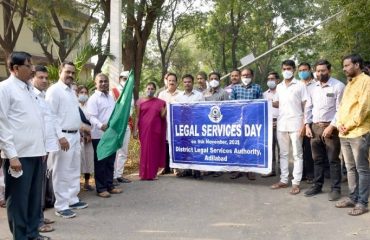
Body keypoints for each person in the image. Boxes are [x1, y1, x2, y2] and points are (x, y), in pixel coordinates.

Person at [0, 51, 49, 239]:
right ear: (15, 68)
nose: (33, 69)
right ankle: (20, 237)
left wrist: (42, 148)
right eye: (29, 65)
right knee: (19, 200)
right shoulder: (4, 88)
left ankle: (32, 234)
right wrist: (11, 155)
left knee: (33, 199)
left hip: (36, 152)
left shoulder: (30, 89)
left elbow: (37, 120)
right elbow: (2, 123)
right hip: (19, 156)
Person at [46, 61, 88, 218]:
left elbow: (73, 114)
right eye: (67, 72)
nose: (70, 75)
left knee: (73, 169)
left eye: (72, 73)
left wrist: (79, 132)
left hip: (75, 135)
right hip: (62, 136)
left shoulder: (71, 91)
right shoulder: (54, 91)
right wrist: (60, 136)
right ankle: (61, 205)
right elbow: (50, 116)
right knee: (61, 171)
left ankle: (72, 198)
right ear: (60, 72)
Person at [304, 60, 345, 201]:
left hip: (331, 128)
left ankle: (335, 189)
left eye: (323, 70)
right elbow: (308, 108)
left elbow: (340, 110)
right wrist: (307, 125)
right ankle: (317, 185)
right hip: (315, 128)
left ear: (329, 71)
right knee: (317, 159)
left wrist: (331, 126)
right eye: (318, 71)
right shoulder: (312, 88)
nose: (320, 73)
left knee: (333, 160)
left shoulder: (338, 86)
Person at [335, 54, 370, 216]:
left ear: (357, 65)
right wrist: (340, 125)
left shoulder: (366, 81)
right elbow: (343, 107)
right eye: (344, 66)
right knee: (349, 167)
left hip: (359, 132)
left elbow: (364, 108)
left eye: (347, 65)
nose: (344, 68)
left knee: (362, 169)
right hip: (345, 133)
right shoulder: (349, 84)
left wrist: (347, 125)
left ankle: (362, 202)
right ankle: (352, 197)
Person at [271, 60, 308, 195]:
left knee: (297, 154)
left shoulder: (300, 85)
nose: (286, 70)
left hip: (296, 123)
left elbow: (306, 105)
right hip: (282, 124)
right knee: (283, 153)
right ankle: (283, 180)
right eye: (284, 68)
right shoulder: (279, 86)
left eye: (289, 68)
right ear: (281, 70)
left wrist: (305, 124)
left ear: (294, 70)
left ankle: (296, 182)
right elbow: (277, 103)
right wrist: (265, 102)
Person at [31, 65, 59, 233]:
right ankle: (36, 221)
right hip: (33, 148)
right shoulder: (30, 96)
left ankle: (39, 216)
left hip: (44, 148)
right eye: (40, 77)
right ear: (32, 77)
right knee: (35, 187)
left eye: (45, 78)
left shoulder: (42, 97)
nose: (44, 80)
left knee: (41, 184)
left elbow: (49, 121)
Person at [86, 73, 123, 198]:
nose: (103, 84)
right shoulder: (93, 99)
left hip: (111, 135)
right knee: (101, 162)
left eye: (105, 81)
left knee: (110, 161)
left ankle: (109, 185)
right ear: (95, 83)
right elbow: (91, 116)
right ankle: (101, 188)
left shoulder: (110, 97)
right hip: (99, 135)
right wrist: (101, 125)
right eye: (100, 81)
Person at [230, 68, 263, 180]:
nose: (245, 77)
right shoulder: (236, 88)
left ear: (252, 76)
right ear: (240, 76)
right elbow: (231, 106)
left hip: (252, 123)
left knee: (250, 147)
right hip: (238, 123)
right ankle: (237, 170)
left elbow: (261, 105)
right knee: (237, 146)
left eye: (248, 75)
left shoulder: (257, 87)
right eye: (243, 75)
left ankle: (250, 170)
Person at [133, 82, 167, 180]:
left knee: (154, 151)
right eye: (148, 88)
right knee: (144, 151)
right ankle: (143, 173)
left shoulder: (160, 102)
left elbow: (162, 116)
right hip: (144, 130)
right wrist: (135, 130)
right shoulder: (140, 102)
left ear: (155, 90)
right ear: (145, 89)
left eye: (152, 89)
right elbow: (137, 117)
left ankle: (153, 173)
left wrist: (167, 107)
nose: (150, 90)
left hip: (156, 130)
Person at [175, 74, 205, 179]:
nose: (187, 84)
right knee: (185, 148)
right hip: (183, 127)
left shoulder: (199, 95)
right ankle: (186, 170)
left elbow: (203, 110)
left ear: (193, 83)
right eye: (185, 82)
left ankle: (196, 170)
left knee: (195, 147)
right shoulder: (178, 97)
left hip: (196, 126)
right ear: (183, 83)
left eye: (189, 82)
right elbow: (176, 112)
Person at [112, 71, 132, 184]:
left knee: (123, 151)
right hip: (117, 125)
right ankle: (113, 175)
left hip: (127, 125)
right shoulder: (114, 91)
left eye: (128, 79)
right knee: (115, 150)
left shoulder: (130, 92)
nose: (126, 81)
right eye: (124, 78)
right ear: (120, 79)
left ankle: (119, 174)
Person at [158, 73, 181, 174]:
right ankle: (165, 167)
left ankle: (176, 167)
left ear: (176, 82)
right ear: (166, 82)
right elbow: (160, 110)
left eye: (173, 81)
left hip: (178, 123)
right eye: (169, 81)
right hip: (165, 122)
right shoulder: (162, 94)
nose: (171, 82)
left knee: (176, 144)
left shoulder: (181, 94)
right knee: (166, 144)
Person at [297, 62, 315, 183]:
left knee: (309, 149)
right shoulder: (297, 85)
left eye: (305, 70)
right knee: (299, 148)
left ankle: (310, 173)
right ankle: (300, 173)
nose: (303, 72)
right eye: (301, 70)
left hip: (311, 120)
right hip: (297, 120)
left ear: (310, 70)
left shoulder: (316, 85)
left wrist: (306, 123)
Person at [262, 71, 280, 178]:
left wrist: (271, 102)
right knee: (270, 149)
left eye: (272, 79)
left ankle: (283, 170)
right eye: (268, 79)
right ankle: (271, 170)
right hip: (269, 124)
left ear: (277, 80)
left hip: (281, 122)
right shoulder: (264, 94)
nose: (270, 81)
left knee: (282, 149)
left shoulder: (282, 91)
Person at [77, 85, 95, 191]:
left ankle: (87, 183)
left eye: (85, 92)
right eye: (81, 92)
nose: (83, 94)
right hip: (79, 137)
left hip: (89, 137)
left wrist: (90, 134)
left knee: (88, 160)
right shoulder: (74, 106)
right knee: (78, 161)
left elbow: (93, 121)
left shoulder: (90, 106)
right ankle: (76, 184)